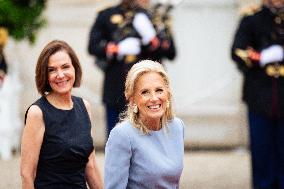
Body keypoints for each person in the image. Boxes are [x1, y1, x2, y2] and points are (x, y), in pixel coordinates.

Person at [87, 0, 176, 139]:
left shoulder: (155, 17)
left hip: (148, 90)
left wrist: (151, 38)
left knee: (150, 139)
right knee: (116, 137)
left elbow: (171, 52)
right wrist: (117, 48)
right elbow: (93, 46)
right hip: (116, 88)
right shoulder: (107, 14)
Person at [20, 40, 103, 189]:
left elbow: (90, 165)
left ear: (75, 68)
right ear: (44, 75)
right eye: (52, 70)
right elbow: (27, 174)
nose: (60, 75)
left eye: (65, 67)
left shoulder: (84, 107)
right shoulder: (37, 113)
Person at [104, 60, 184, 188]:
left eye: (159, 90)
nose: (154, 98)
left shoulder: (177, 127)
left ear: (167, 94)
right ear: (132, 100)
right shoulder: (122, 135)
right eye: (145, 92)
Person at [231, 1, 284, 188]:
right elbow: (237, 50)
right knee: (262, 152)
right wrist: (262, 57)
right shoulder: (252, 17)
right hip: (260, 96)